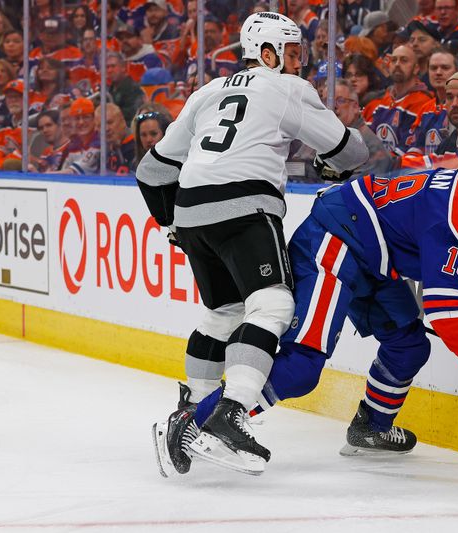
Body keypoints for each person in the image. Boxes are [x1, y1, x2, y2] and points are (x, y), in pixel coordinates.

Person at [156, 146, 458, 473]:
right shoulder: (456, 212)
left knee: (409, 345)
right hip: (336, 240)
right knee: (302, 366)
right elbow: (446, 306)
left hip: (371, 252)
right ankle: (196, 420)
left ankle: (371, 426)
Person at [140, 12, 368, 477]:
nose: (299, 63)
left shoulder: (206, 92)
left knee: (222, 312)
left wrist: (170, 223)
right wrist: (338, 161)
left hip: (191, 210)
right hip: (245, 205)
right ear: (269, 53)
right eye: (294, 52)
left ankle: (191, 413)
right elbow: (350, 151)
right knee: (272, 308)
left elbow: (152, 172)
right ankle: (229, 417)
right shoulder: (287, 88)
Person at [132, 104, 172, 170]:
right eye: (143, 135)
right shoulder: (134, 165)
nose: (148, 140)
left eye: (153, 134)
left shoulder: (181, 163)